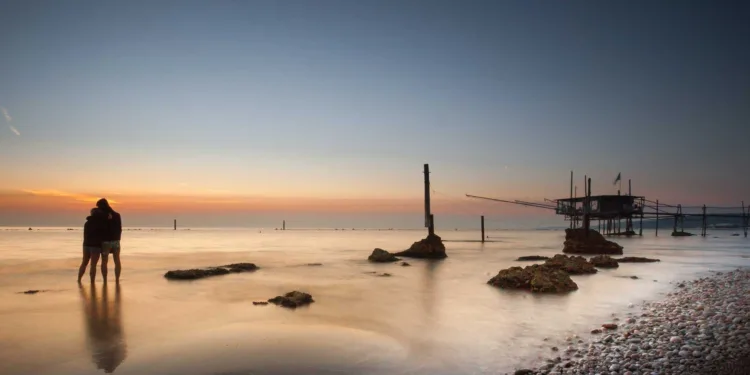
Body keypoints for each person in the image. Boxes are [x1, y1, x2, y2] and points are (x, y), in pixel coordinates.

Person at [78, 208, 110, 283]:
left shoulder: (87, 223)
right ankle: (92, 281)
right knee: (93, 265)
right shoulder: (100, 223)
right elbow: (104, 234)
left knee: (84, 262)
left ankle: (79, 279)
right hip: (95, 246)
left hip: (86, 245)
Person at [97, 198, 123, 283]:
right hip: (116, 241)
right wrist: (118, 238)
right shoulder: (117, 215)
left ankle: (105, 280)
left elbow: (100, 229)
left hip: (105, 241)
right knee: (117, 260)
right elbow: (120, 228)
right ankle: (117, 280)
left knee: (104, 261)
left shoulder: (101, 216)